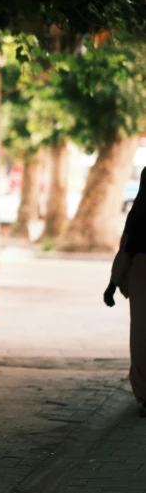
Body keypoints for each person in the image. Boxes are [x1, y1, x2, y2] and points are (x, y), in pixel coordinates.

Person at [104, 166, 146, 417]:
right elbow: (127, 246)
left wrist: (112, 285)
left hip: (142, 273)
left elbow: (127, 247)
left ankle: (144, 393)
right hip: (141, 272)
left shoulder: (139, 213)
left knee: (142, 336)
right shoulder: (139, 215)